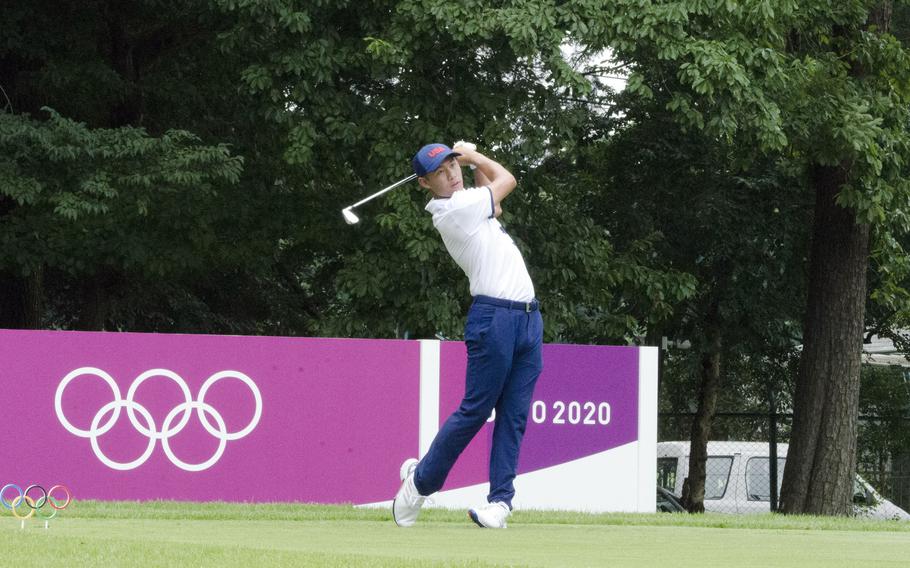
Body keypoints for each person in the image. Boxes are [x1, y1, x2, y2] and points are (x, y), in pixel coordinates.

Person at [392, 142, 543, 529]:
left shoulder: (472, 204)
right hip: (493, 318)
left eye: (452, 165)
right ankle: (420, 483)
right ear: (425, 183)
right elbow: (506, 180)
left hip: (528, 320)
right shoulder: (453, 210)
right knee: (476, 410)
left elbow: (495, 203)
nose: (452, 174)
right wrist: (474, 156)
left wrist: (471, 164)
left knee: (514, 416)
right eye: (441, 172)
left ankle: (500, 504)